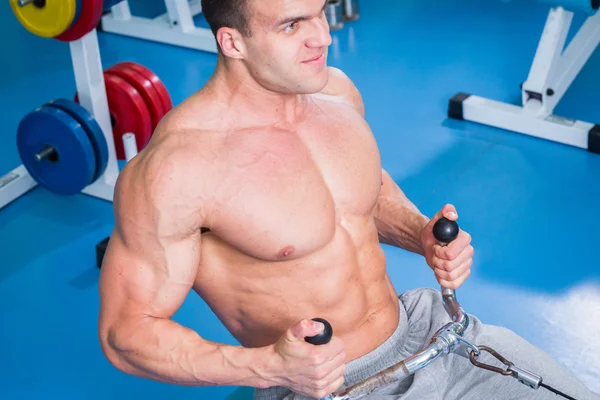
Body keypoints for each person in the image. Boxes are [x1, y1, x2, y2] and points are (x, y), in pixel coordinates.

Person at [97, 0, 599, 399]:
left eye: (320, 12)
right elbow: (126, 333)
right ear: (232, 41)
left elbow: (364, 193)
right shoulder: (177, 168)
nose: (323, 37)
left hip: (431, 330)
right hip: (329, 387)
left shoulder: (334, 93)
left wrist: (420, 233)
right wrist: (268, 366)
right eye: (293, 25)